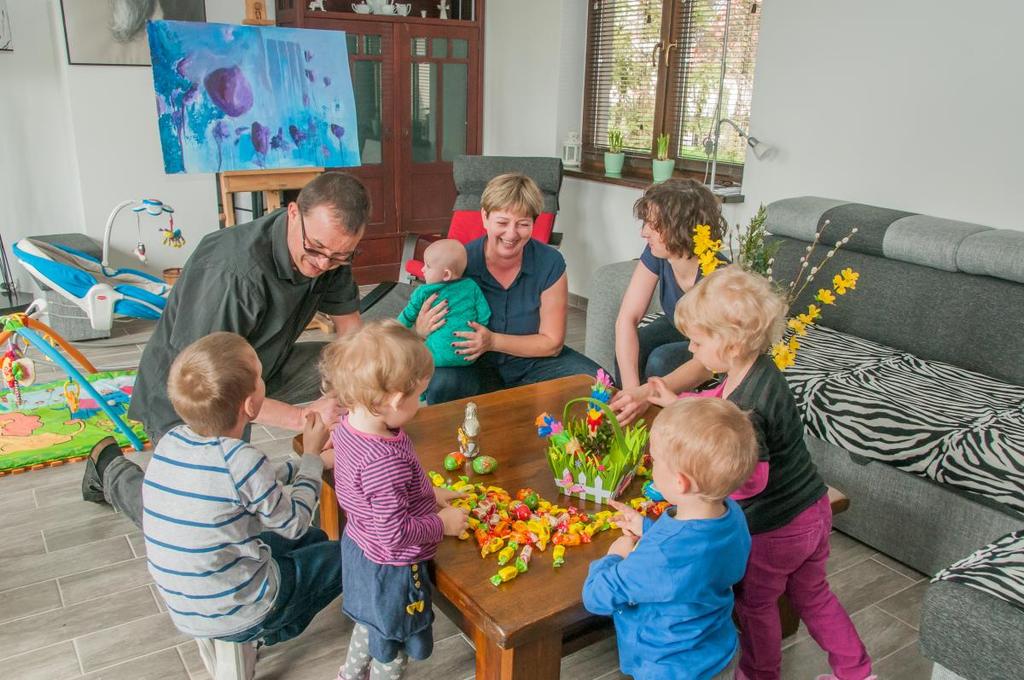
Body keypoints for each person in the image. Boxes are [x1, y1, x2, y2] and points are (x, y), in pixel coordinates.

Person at [83, 172, 368, 517]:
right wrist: (305, 418)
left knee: (351, 365)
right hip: (192, 393)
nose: (324, 264)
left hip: (263, 365)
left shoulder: (331, 249)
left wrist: (349, 398)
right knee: (197, 514)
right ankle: (110, 468)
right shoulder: (232, 272)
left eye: (339, 257)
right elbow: (214, 386)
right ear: (293, 213)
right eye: (316, 250)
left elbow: (351, 336)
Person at [648, 266, 874, 680]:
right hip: (812, 509)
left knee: (755, 605)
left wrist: (701, 494)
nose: (692, 351)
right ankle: (857, 673)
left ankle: (759, 674)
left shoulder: (748, 410)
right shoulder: (757, 372)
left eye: (697, 342)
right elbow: (718, 401)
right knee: (814, 596)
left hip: (775, 527)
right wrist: (679, 404)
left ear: (730, 342)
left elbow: (751, 479)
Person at [141, 332, 341, 647]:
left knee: (315, 539)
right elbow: (295, 522)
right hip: (241, 612)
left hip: (188, 606)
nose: (264, 380)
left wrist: (304, 466)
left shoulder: (172, 441)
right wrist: (312, 457)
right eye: (261, 377)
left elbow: (250, 484)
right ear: (251, 405)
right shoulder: (243, 459)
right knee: (348, 554)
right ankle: (275, 629)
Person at [323, 321, 469, 680]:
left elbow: (373, 497)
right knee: (394, 645)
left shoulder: (350, 426)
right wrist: (442, 523)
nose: (422, 401)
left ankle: (350, 674)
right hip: (392, 568)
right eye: (420, 394)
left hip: (360, 548)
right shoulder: (381, 462)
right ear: (393, 400)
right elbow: (393, 532)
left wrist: (428, 494)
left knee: (372, 623)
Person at [582, 397, 758, 680]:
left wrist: (614, 556)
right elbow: (691, 557)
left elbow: (596, 597)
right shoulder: (732, 515)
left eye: (655, 461)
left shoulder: (662, 556)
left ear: (680, 482)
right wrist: (647, 528)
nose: (651, 467)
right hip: (717, 651)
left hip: (668, 667)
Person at [412, 172, 601, 404]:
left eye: (523, 224)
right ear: (485, 217)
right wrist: (420, 331)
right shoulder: (460, 262)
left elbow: (552, 343)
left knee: (600, 384)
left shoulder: (549, 263)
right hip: (474, 365)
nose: (511, 234)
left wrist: (492, 341)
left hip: (533, 362)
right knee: (443, 383)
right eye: (502, 222)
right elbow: (420, 321)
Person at [610, 178, 727, 426]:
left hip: (709, 347)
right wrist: (633, 392)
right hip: (678, 327)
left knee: (661, 359)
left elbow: (707, 363)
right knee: (634, 343)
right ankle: (628, 419)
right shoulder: (658, 254)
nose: (644, 232)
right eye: (646, 223)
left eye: (654, 226)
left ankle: (662, 433)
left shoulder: (717, 275)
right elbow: (627, 318)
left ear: (681, 228)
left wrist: (648, 392)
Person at [397, 239, 491, 367]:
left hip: (435, 356)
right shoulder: (471, 286)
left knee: (405, 360)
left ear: (446, 274)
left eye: (428, 266)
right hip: (469, 353)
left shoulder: (423, 291)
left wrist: (394, 333)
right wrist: (478, 329)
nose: (423, 269)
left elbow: (407, 316)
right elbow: (484, 313)